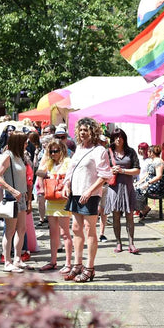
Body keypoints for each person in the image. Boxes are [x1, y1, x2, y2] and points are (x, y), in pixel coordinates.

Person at [62, 117, 112, 283]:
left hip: (90, 194)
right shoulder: (78, 149)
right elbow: (71, 170)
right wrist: (66, 184)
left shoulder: (99, 151)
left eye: (86, 130)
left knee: (90, 229)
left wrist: (90, 191)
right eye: (80, 130)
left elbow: (105, 175)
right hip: (76, 193)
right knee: (76, 227)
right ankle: (77, 264)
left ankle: (89, 268)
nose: (82, 133)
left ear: (93, 132)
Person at [0, 131, 30, 273]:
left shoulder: (19, 155)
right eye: (24, 141)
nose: (27, 144)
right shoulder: (7, 156)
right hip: (11, 198)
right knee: (10, 231)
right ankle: (7, 261)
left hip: (20, 196)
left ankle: (17, 258)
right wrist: (11, 190)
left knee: (21, 229)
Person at [36, 140, 72, 273]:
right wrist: (45, 159)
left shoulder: (68, 162)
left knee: (65, 233)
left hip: (62, 200)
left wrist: (56, 176)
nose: (53, 153)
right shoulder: (50, 162)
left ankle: (68, 263)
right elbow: (38, 172)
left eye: (56, 151)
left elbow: (70, 177)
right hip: (51, 199)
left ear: (62, 150)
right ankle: (53, 261)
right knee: (53, 232)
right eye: (51, 151)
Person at [105, 128, 140, 254]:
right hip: (114, 188)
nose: (118, 139)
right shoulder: (109, 152)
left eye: (120, 137)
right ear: (112, 139)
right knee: (116, 216)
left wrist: (123, 171)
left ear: (124, 138)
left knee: (130, 216)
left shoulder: (131, 152)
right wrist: (111, 171)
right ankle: (118, 242)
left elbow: (137, 170)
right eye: (115, 137)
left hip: (128, 187)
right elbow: (102, 169)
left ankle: (131, 243)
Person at [135, 145, 164, 222]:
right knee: (133, 189)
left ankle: (144, 209)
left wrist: (147, 183)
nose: (147, 153)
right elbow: (147, 175)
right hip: (150, 183)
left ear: (152, 152)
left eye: (148, 151)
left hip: (156, 185)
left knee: (139, 190)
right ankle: (144, 208)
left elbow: (159, 176)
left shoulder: (159, 161)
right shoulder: (152, 161)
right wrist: (138, 182)